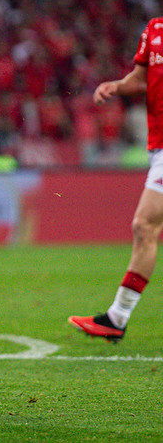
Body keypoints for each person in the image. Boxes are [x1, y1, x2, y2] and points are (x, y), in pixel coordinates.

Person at [68, 17, 163, 343]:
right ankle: (117, 317)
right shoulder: (154, 30)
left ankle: (117, 317)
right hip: (157, 146)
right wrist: (117, 86)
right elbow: (141, 79)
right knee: (145, 228)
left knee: (144, 226)